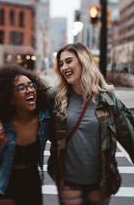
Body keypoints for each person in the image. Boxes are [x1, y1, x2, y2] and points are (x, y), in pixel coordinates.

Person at [47, 42, 134, 205]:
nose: (64, 67)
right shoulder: (56, 97)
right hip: (69, 185)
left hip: (99, 186)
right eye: (61, 64)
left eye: (69, 61)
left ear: (83, 61)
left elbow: (129, 137)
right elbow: (24, 100)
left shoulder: (107, 99)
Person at [0, 63, 52, 205]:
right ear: (10, 99)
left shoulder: (45, 120)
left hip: (32, 180)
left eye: (31, 85)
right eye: (21, 88)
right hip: (6, 182)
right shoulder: (1, 124)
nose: (29, 90)